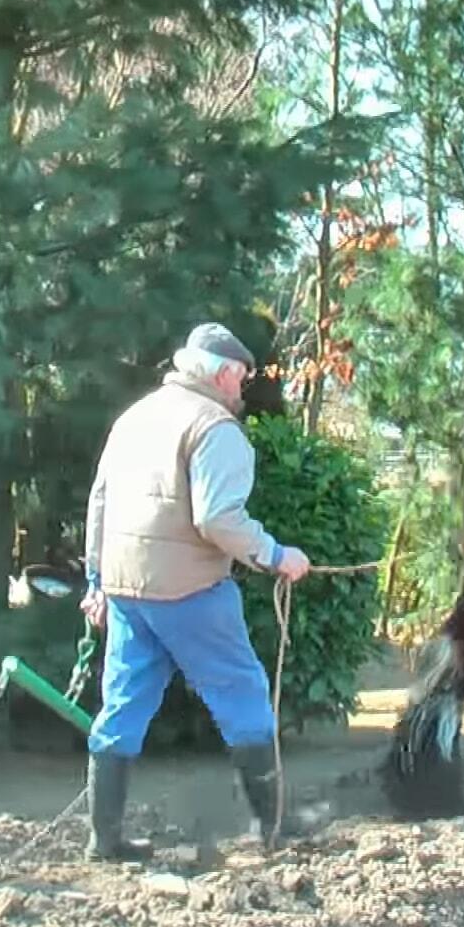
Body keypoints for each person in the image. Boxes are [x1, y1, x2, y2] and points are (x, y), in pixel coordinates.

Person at [77, 322, 312, 862]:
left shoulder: (132, 419)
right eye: (243, 379)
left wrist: (96, 581)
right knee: (244, 695)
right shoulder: (215, 427)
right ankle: (271, 826)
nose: (243, 390)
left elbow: (99, 504)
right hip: (191, 590)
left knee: (121, 708)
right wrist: (277, 556)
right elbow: (217, 518)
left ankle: (104, 840)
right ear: (226, 372)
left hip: (125, 589)